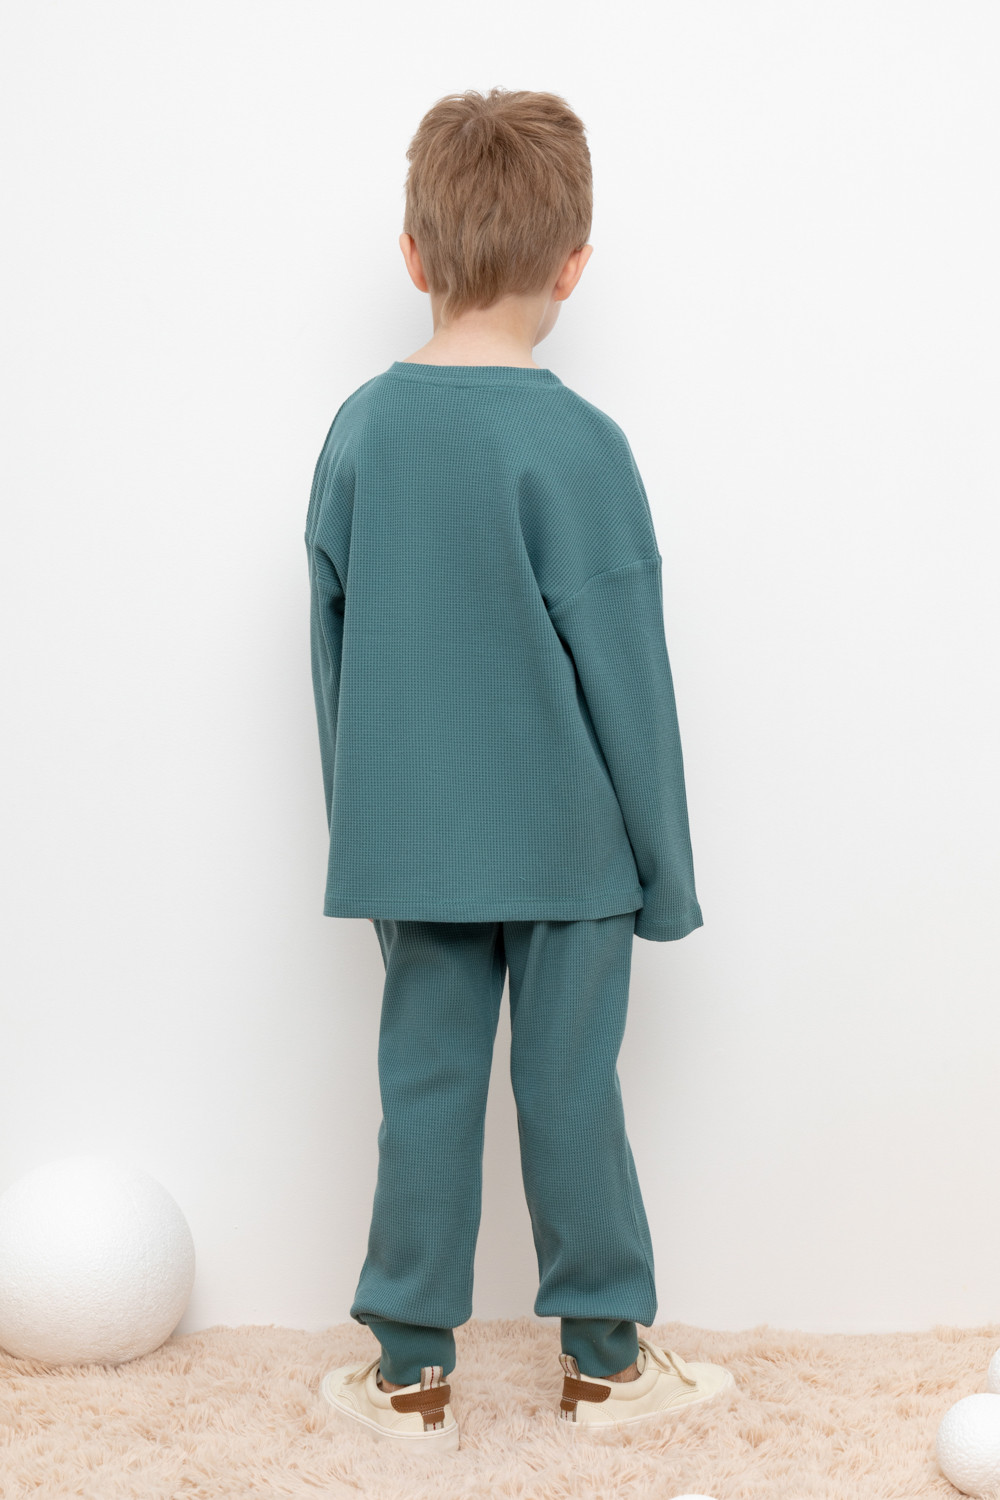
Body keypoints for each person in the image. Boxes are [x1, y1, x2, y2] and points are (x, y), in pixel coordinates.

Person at [309, 87, 734, 1451]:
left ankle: (406, 1380)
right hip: (571, 846)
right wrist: (665, 872)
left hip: (416, 839)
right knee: (570, 1095)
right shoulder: (581, 445)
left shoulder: (360, 433)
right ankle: (605, 1366)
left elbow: (334, 654)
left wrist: (368, 821)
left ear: (413, 253)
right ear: (574, 265)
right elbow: (630, 675)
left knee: (424, 1091)